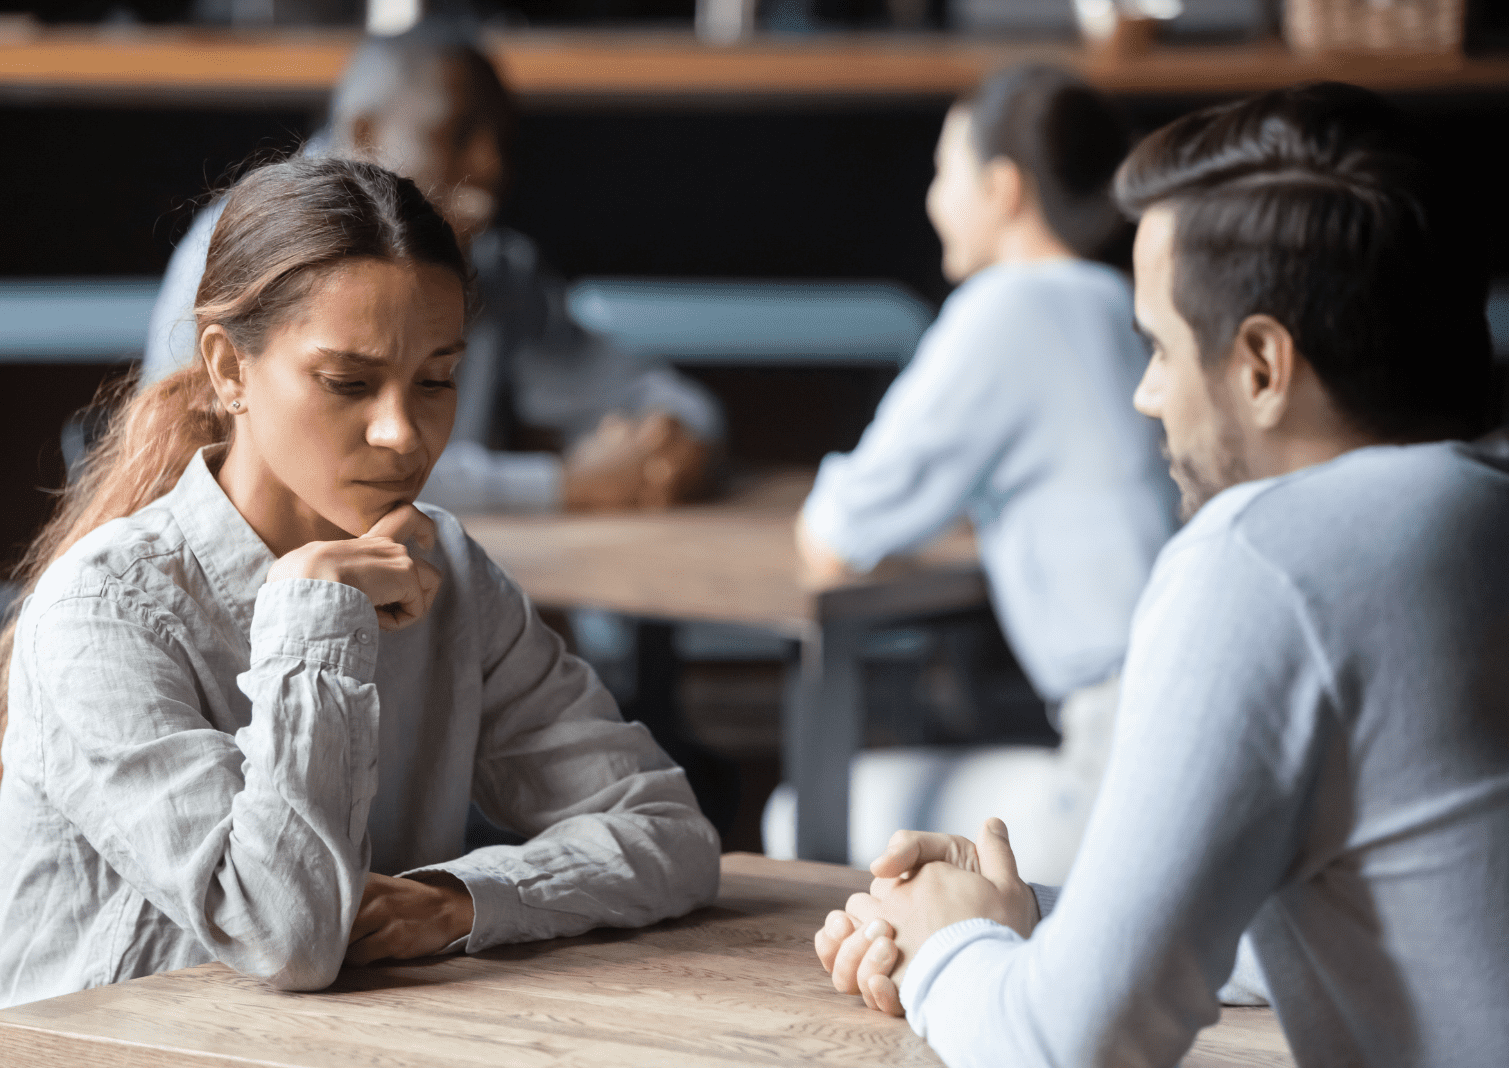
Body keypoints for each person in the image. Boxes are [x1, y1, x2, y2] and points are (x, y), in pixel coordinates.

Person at [813, 82, 1507, 1067]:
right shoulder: (1475, 505)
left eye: (1158, 348)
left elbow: (1067, 1047)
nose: (1144, 397)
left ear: (1261, 365)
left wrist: (941, 951)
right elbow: (1328, 919)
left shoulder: (1265, 557)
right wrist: (1012, 922)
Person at [0, 157, 720, 1012]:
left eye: (436, 380)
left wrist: (461, 902)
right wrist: (311, 620)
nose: (404, 434)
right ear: (229, 369)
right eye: (348, 383)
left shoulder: (452, 574)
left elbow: (668, 830)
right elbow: (282, 934)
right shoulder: (102, 612)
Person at [775, 66, 1178, 881]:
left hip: (1117, 772)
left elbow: (837, 534)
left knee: (795, 813)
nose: (932, 200)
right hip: (1180, 727)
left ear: (1002, 189)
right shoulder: (1114, 299)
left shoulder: (1010, 307)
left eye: (943, 173)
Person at [143, 22, 721, 514]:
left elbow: (647, 395)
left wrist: (672, 443)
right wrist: (562, 485)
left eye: (502, 141)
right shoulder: (243, 249)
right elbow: (279, 476)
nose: (491, 167)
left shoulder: (492, 264)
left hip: (430, 594)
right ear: (364, 133)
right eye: (459, 133)